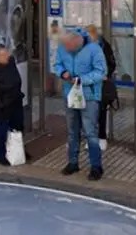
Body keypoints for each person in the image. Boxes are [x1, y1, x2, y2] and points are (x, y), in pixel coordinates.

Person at [54, 28, 107, 181]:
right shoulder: (63, 47)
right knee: (72, 130)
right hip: (70, 94)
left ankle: (96, 166)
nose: (67, 48)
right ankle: (72, 162)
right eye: (65, 45)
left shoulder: (94, 49)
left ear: (77, 41)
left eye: (69, 45)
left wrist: (82, 79)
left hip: (89, 95)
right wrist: (62, 72)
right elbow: (57, 64)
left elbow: (101, 72)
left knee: (90, 132)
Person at [86, 24, 117, 151]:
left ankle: (102, 137)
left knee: (101, 111)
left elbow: (111, 64)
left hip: (101, 84)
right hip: (89, 83)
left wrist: (105, 74)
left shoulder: (104, 46)